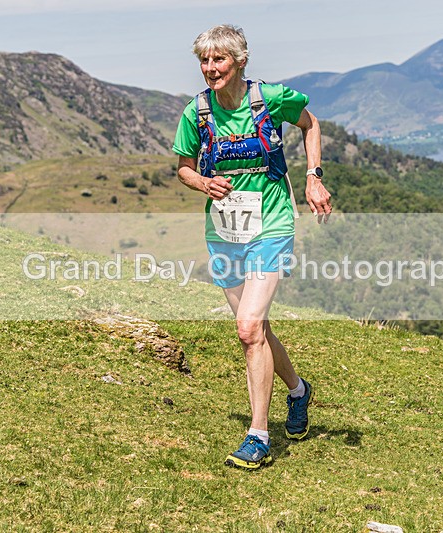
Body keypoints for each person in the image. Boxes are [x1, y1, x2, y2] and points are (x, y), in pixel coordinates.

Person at [172, 25, 333, 469]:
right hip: (223, 232)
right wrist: (203, 181)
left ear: (240, 61)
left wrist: (313, 176)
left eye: (218, 60)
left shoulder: (270, 98)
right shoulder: (197, 112)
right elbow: (184, 167)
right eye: (204, 61)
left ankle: (258, 435)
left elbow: (311, 123)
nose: (210, 69)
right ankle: (298, 391)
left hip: (272, 225)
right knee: (255, 329)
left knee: (247, 329)